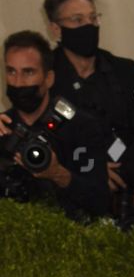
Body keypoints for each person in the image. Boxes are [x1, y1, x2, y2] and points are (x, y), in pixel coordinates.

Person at [43, 0, 134, 200]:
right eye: (77, 20)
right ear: (55, 28)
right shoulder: (46, 79)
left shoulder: (129, 73)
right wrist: (93, 170)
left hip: (132, 191)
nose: (89, 25)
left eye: (93, 18)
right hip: (69, 196)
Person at [0, 30, 112, 219]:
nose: (18, 83)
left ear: (49, 78)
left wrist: (57, 174)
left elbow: (100, 202)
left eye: (28, 72)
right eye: (11, 71)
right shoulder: (3, 128)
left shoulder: (82, 126)